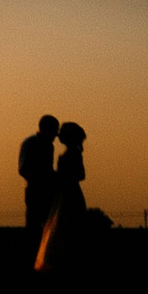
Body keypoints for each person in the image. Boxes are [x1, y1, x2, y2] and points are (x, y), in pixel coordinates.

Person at [34, 121, 89, 273]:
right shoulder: (73, 153)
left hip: (68, 195)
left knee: (64, 228)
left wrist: (59, 177)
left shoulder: (72, 154)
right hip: (67, 194)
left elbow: (79, 175)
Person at [17, 115, 60, 240]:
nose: (55, 135)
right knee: (34, 227)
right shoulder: (30, 143)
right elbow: (23, 169)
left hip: (47, 191)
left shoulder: (48, 146)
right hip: (35, 191)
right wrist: (41, 179)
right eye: (53, 130)